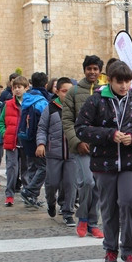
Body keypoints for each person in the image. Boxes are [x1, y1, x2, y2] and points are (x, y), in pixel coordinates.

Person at [75, 60, 132, 262]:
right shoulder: (96, 101)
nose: (124, 86)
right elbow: (81, 128)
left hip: (129, 163)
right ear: (110, 80)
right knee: (109, 208)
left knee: (128, 203)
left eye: (128, 82)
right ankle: (110, 249)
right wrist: (109, 135)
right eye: (120, 82)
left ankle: (128, 249)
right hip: (103, 164)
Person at [61, 55, 103, 232]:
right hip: (81, 147)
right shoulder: (74, 92)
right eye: (89, 68)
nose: (92, 72)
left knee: (99, 185)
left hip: (101, 147)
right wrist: (77, 142)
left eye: (95, 69)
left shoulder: (105, 91)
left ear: (100, 71)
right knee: (87, 182)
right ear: (84, 70)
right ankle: (83, 218)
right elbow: (67, 121)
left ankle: (93, 222)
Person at [36, 77, 76, 222]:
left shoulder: (77, 108)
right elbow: (42, 128)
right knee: (52, 183)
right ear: (57, 91)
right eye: (64, 91)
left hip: (72, 154)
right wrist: (41, 143)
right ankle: (51, 202)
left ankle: (67, 212)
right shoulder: (50, 108)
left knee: (70, 183)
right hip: (54, 153)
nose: (68, 94)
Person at [19, 72, 51, 209]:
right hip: (38, 139)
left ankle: (31, 196)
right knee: (44, 167)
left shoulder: (27, 97)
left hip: (26, 138)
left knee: (33, 166)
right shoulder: (42, 101)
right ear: (46, 84)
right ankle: (30, 191)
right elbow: (45, 121)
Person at [0, 75, 29, 207]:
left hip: (26, 141)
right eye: (15, 87)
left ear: (26, 88)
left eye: (19, 87)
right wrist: (5, 133)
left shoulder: (30, 104)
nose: (17, 90)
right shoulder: (8, 104)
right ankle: (9, 195)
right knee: (12, 168)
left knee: (26, 169)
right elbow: (0, 122)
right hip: (12, 141)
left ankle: (28, 193)